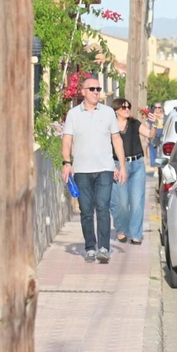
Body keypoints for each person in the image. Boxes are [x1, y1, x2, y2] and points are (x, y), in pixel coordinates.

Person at [60, 74, 127, 264]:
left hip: (105, 169)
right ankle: (90, 247)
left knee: (103, 208)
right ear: (83, 92)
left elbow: (116, 139)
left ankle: (104, 248)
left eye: (98, 89)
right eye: (93, 89)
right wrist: (67, 162)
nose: (97, 92)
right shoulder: (73, 114)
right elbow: (67, 140)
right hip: (81, 170)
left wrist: (121, 166)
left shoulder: (107, 113)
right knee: (87, 211)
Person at [111, 98, 154, 245]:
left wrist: (154, 124)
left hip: (136, 166)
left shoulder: (135, 123)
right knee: (121, 203)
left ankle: (136, 234)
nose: (127, 109)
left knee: (136, 202)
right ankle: (121, 229)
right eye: (123, 107)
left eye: (128, 107)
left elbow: (150, 134)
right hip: (118, 165)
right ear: (116, 110)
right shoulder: (110, 126)